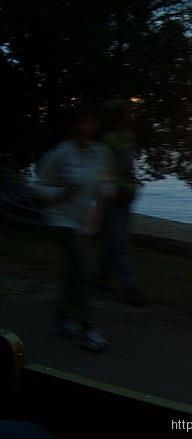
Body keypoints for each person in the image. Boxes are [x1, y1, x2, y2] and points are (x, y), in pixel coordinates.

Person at [32, 103, 114, 352]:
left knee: (73, 273)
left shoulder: (101, 153)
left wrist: (108, 192)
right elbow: (37, 187)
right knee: (81, 272)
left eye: (91, 122)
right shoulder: (59, 154)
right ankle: (88, 330)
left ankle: (60, 320)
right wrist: (61, 193)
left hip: (85, 223)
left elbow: (107, 181)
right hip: (61, 220)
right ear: (72, 125)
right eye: (81, 122)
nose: (86, 127)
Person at [98, 99, 145, 306]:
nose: (131, 116)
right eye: (127, 113)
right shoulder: (109, 139)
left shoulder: (128, 137)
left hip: (126, 194)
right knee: (119, 242)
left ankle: (99, 278)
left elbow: (129, 168)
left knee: (116, 240)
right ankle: (129, 287)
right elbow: (105, 170)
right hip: (113, 196)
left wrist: (132, 187)